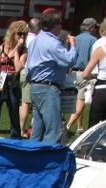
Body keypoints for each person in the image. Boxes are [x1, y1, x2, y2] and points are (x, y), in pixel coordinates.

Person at [25, 8, 76, 143]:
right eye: (60, 23)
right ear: (55, 25)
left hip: (35, 86)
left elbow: (29, 65)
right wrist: (73, 46)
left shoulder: (35, 40)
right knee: (53, 131)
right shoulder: (52, 43)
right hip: (48, 88)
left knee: (37, 131)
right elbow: (69, 60)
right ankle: (47, 161)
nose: (61, 26)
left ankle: (32, 158)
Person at [0, 21, 27, 137]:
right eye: (20, 33)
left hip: (12, 85)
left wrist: (17, 51)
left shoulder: (23, 51)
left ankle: (15, 143)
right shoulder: (2, 47)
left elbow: (19, 67)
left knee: (14, 118)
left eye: (24, 34)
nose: (22, 37)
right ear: (13, 33)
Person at [65, 17, 98, 136]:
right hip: (85, 73)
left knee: (75, 101)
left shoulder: (75, 38)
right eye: (95, 27)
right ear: (91, 27)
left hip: (72, 73)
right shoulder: (93, 40)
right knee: (81, 101)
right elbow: (93, 59)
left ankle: (79, 126)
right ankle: (67, 126)